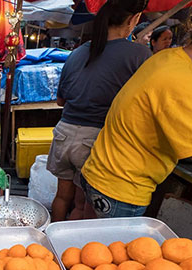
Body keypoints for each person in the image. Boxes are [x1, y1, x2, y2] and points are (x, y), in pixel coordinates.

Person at [81, 0, 192, 219]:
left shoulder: (175, 59)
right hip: (120, 189)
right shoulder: (179, 79)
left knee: (87, 243)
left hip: (100, 173)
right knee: (107, 252)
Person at [47, 0, 151, 221]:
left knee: (62, 196)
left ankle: (50, 248)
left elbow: (60, 101)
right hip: (95, 138)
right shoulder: (139, 54)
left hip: (64, 133)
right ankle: (74, 252)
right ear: (133, 20)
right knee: (82, 203)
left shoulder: (77, 53)